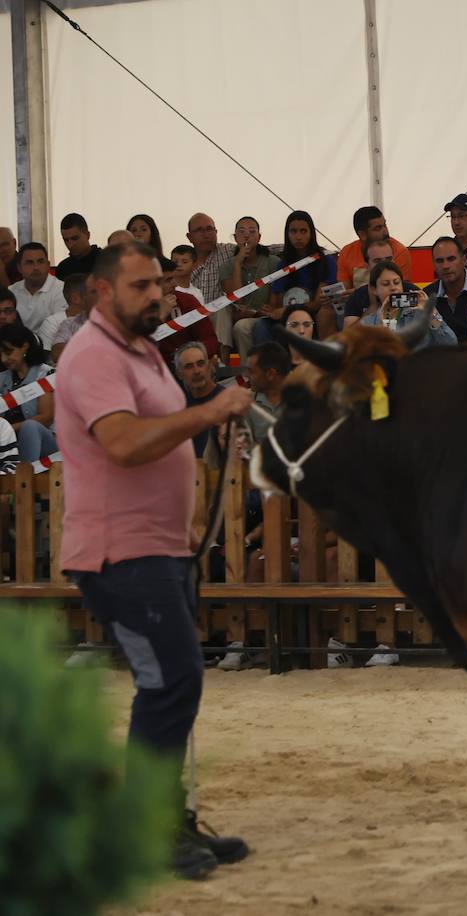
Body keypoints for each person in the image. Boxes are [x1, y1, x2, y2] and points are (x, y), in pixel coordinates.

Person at [57, 241, 255, 880]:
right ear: (102, 293)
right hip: (120, 553)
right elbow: (120, 442)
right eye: (142, 286)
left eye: (159, 285)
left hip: (160, 548)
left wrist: (193, 499)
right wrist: (209, 410)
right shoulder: (90, 356)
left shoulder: (142, 352)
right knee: (169, 681)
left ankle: (168, 818)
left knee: (176, 679)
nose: (157, 295)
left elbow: (168, 437)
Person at [268, 210, 339, 344]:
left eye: (303, 231)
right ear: (287, 234)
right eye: (293, 231)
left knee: (323, 314)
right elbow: (275, 304)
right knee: (260, 326)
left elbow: (319, 303)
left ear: (311, 233)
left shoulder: (326, 260)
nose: (298, 236)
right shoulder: (282, 265)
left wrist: (287, 310)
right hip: (287, 317)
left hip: (315, 314)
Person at [358, 260, 454, 349]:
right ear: (374, 290)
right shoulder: (367, 324)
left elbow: (451, 344)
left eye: (397, 282)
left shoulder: (420, 315)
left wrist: (432, 313)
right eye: (386, 284)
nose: (393, 288)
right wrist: (388, 321)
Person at [222, 216, 282, 358]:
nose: (247, 235)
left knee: (244, 327)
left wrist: (268, 309)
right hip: (240, 317)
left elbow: (277, 298)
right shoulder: (227, 266)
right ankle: (246, 371)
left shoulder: (273, 262)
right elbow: (238, 301)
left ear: (259, 237)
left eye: (252, 231)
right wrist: (237, 264)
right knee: (241, 326)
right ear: (235, 237)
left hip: (265, 316)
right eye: (241, 231)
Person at [0, 324, 58, 462]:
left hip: (48, 444)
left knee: (29, 427)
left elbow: (46, 417)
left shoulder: (46, 375)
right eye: (0, 354)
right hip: (9, 445)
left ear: (25, 346)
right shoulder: (1, 378)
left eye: (8, 352)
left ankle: (24, 478)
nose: (3, 359)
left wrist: (7, 430)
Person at [185, 214, 236, 348]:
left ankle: (220, 362)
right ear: (189, 237)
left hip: (221, 317)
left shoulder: (228, 251)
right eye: (199, 230)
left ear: (216, 232)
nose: (206, 234)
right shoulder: (184, 261)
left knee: (221, 307)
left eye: (209, 229)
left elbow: (261, 249)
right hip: (193, 319)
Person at [156, 269, 219, 372]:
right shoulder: (138, 309)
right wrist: (160, 317)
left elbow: (210, 339)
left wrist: (195, 354)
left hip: (191, 363)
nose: (175, 285)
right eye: (168, 280)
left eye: (174, 279)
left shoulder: (187, 300)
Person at [342, 238, 415, 327]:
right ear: (367, 266)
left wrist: (429, 311)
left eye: (389, 259)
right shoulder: (357, 296)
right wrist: (372, 308)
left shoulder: (411, 291)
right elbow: (349, 336)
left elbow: (432, 330)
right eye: (377, 261)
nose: (384, 265)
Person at [336, 205, 412, 288]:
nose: (386, 232)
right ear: (362, 235)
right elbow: (343, 291)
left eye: (385, 225)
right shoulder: (347, 252)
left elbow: (402, 290)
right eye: (378, 228)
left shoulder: (400, 251)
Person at [174, 341, 226, 461]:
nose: (197, 371)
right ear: (179, 374)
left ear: (209, 367)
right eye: (189, 366)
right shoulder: (177, 407)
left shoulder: (227, 402)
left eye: (200, 364)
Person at [10, 242, 67, 330]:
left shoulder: (62, 290)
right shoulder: (11, 291)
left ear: (48, 265)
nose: (36, 267)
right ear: (19, 268)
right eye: (29, 263)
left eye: (40, 262)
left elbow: (60, 329)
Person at [245, 341, 291, 443]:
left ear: (270, 374)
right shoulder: (247, 403)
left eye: (251, 371)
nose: (246, 376)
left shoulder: (306, 398)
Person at [50, 274, 96, 361]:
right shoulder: (69, 324)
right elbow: (57, 354)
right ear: (76, 298)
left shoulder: (118, 321)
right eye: (94, 292)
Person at [38, 272, 87, 351]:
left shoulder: (104, 320)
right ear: (75, 298)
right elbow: (48, 358)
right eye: (93, 292)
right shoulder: (52, 323)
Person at [56, 213, 102, 280]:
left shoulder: (104, 262)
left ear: (87, 235)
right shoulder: (63, 268)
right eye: (66, 240)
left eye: (75, 238)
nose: (70, 244)